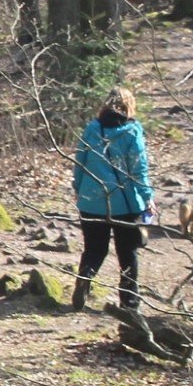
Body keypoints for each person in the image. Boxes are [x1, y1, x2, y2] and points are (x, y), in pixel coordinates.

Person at [72, 85, 154, 313]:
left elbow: (80, 161)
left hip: (91, 200)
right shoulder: (132, 131)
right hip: (123, 203)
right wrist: (147, 197)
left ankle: (84, 281)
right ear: (129, 106)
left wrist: (77, 187)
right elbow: (139, 169)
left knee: (93, 249)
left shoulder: (92, 129)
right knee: (127, 253)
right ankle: (129, 302)